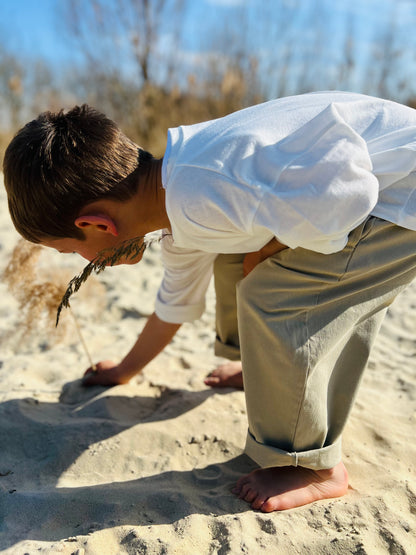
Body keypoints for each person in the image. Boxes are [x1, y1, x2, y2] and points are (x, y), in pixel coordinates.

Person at [3, 91, 416, 513]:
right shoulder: (175, 202)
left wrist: (270, 248)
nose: (84, 262)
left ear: (95, 223)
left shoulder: (207, 187)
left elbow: (351, 192)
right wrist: (126, 370)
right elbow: (174, 302)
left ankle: (311, 466)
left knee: (273, 294)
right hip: (385, 191)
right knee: (236, 258)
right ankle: (262, 370)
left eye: (73, 251)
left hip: (400, 199)